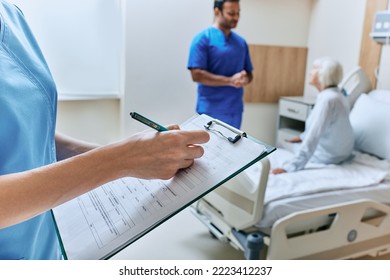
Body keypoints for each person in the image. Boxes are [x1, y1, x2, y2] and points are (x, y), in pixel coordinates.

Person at [0, 1, 210, 260]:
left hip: (44, 244)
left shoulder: (11, 15)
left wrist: (129, 153)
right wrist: (122, 158)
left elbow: (27, 129)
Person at [272, 57, 354, 174]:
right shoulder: (337, 95)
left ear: (323, 74)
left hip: (328, 156)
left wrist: (289, 167)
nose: (310, 72)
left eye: (314, 69)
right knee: (289, 142)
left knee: (280, 144)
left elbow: (313, 136)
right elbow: (327, 127)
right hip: (340, 153)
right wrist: (302, 137)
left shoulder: (328, 100)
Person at [187, 0, 253, 129]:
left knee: (233, 148)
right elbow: (197, 75)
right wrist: (230, 81)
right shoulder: (202, 39)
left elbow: (249, 73)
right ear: (217, 11)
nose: (236, 17)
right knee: (209, 148)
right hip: (210, 110)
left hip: (234, 109)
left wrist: (244, 78)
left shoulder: (241, 42)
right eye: (231, 13)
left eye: (238, 13)